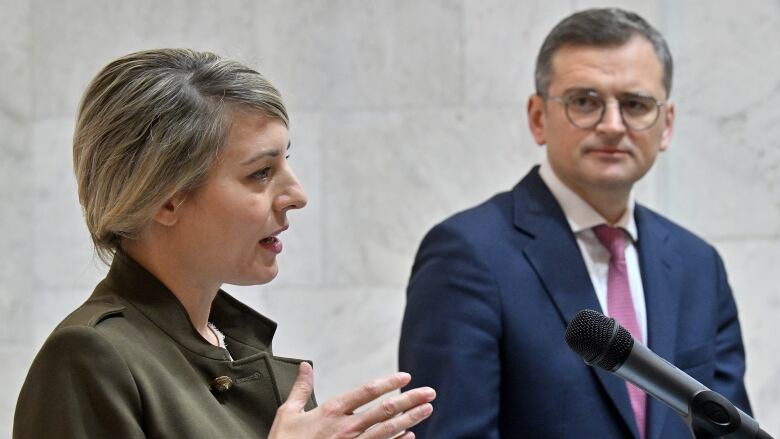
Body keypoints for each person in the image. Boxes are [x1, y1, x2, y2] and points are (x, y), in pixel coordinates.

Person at [14, 48, 435, 439]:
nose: (298, 195)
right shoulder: (89, 355)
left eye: (286, 160)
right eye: (261, 173)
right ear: (167, 198)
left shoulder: (230, 342)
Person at [399, 8, 751, 439]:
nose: (612, 125)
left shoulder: (699, 265)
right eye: (585, 102)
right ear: (537, 117)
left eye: (636, 104)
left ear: (666, 125)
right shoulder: (468, 254)